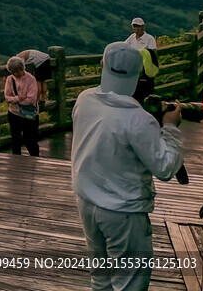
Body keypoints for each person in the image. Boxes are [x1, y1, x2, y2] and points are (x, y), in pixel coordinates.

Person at [71, 42, 183, 291]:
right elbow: (165, 168)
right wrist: (170, 128)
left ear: (103, 67)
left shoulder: (84, 99)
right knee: (130, 281)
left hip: (86, 199)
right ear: (139, 75)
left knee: (100, 274)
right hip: (123, 209)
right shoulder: (138, 120)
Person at [4, 56, 40, 156]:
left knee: (30, 140)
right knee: (15, 139)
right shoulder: (10, 79)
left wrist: (14, 100)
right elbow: (7, 97)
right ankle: (16, 162)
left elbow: (31, 99)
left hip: (30, 114)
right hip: (14, 113)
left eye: (18, 71)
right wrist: (19, 98)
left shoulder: (31, 79)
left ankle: (34, 160)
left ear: (23, 68)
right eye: (14, 72)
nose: (17, 74)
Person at [125, 18, 158, 103]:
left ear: (143, 27)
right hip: (134, 68)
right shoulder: (131, 37)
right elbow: (124, 46)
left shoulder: (149, 38)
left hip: (144, 70)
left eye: (138, 26)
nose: (136, 28)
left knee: (145, 91)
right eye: (134, 26)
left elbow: (153, 54)